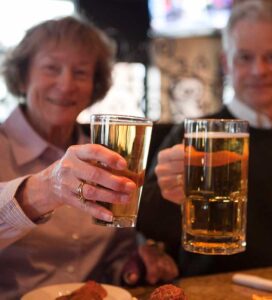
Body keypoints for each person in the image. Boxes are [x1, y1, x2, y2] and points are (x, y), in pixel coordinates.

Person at [0, 16, 178, 299]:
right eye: (51, 68)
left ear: (94, 87)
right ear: (22, 77)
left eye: (81, 73)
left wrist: (132, 263)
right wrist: (42, 189)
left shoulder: (102, 155)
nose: (66, 84)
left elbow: (113, 251)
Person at [138, 0, 272, 276]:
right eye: (245, 57)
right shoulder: (193, 134)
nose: (259, 70)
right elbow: (148, 223)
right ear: (226, 62)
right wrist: (166, 192)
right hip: (209, 286)